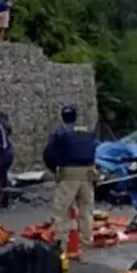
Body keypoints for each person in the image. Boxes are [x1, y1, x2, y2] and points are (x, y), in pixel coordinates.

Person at [43, 104, 96, 260]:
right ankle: (85, 245)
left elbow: (48, 153)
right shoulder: (87, 131)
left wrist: (55, 169)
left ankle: (62, 246)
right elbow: (93, 150)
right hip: (87, 173)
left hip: (69, 173)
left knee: (62, 210)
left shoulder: (61, 132)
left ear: (63, 116)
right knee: (86, 210)